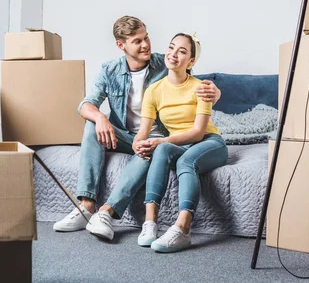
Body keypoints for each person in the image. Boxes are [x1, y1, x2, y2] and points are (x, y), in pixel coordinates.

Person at [53, 16, 221, 238]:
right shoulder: (110, 70)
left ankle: (108, 212)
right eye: (137, 41)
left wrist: (216, 93)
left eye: (147, 37)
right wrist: (101, 118)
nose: (146, 45)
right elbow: (86, 105)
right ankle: (87, 206)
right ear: (121, 45)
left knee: (149, 149)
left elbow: (194, 88)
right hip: (122, 135)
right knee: (91, 125)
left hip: (155, 136)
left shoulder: (165, 62)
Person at [132, 32, 228, 253]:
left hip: (209, 143)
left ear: (191, 61)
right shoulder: (154, 90)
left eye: (182, 51)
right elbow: (143, 131)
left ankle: (183, 229)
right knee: (162, 149)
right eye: (171, 47)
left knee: (185, 162)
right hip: (179, 145)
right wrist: (139, 143)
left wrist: (162, 140)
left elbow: (197, 132)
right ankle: (150, 224)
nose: (173, 54)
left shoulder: (202, 87)